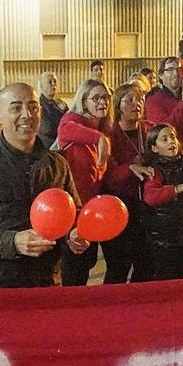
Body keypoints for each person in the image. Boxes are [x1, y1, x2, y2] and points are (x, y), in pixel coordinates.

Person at [0, 82, 83, 288]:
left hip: (45, 282)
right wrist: (12, 243)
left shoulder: (57, 165)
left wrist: (74, 234)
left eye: (33, 107)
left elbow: (74, 213)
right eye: (16, 108)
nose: (27, 115)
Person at [54, 79, 112, 286]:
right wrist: (99, 139)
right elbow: (65, 130)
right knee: (74, 270)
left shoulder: (102, 130)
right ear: (83, 100)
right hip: (70, 212)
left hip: (90, 212)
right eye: (95, 98)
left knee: (86, 264)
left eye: (105, 97)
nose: (102, 102)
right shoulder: (72, 120)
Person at [137, 123, 183, 281]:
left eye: (172, 137)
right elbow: (151, 196)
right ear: (154, 148)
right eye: (164, 139)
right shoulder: (155, 170)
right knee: (167, 276)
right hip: (163, 235)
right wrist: (179, 188)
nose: (171, 141)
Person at [101, 82, 152, 284]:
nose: (136, 104)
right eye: (129, 100)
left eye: (139, 99)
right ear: (118, 105)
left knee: (145, 263)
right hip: (118, 205)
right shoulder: (109, 135)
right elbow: (107, 176)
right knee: (118, 265)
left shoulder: (148, 131)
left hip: (145, 206)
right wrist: (129, 168)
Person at [35, 70, 67, 149]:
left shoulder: (61, 103)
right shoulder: (39, 105)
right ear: (42, 86)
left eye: (55, 81)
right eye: (50, 82)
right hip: (48, 147)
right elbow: (47, 129)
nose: (53, 84)